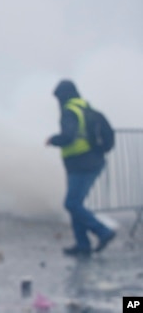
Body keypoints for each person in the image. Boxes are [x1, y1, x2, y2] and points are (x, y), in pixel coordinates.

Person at [46, 79, 116, 257]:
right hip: (89, 162)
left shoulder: (70, 111)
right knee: (75, 204)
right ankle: (82, 244)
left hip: (83, 164)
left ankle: (103, 232)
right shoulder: (84, 107)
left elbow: (69, 136)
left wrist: (54, 139)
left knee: (72, 203)